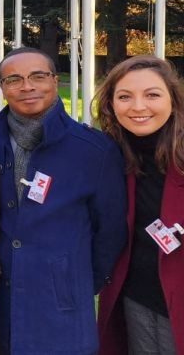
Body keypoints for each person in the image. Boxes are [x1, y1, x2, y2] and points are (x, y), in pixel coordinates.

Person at [0, 46, 127, 355]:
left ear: (54, 81)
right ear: (3, 88)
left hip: (62, 306)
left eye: (37, 76)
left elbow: (110, 231)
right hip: (0, 301)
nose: (27, 86)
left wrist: (74, 281)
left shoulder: (94, 150)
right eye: (14, 79)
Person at [94, 55, 184, 355]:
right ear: (111, 104)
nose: (138, 107)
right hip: (135, 297)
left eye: (152, 95)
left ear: (173, 100)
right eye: (124, 97)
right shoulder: (112, 156)